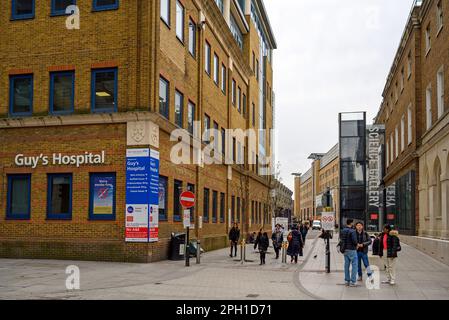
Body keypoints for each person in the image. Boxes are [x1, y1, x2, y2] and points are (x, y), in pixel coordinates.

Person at [340, 219, 359, 287]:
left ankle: (347, 280)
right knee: (355, 265)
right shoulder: (352, 231)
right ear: (351, 223)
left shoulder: (343, 230)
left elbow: (341, 239)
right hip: (352, 249)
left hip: (345, 249)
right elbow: (354, 241)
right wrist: (357, 244)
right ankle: (353, 281)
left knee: (346, 265)